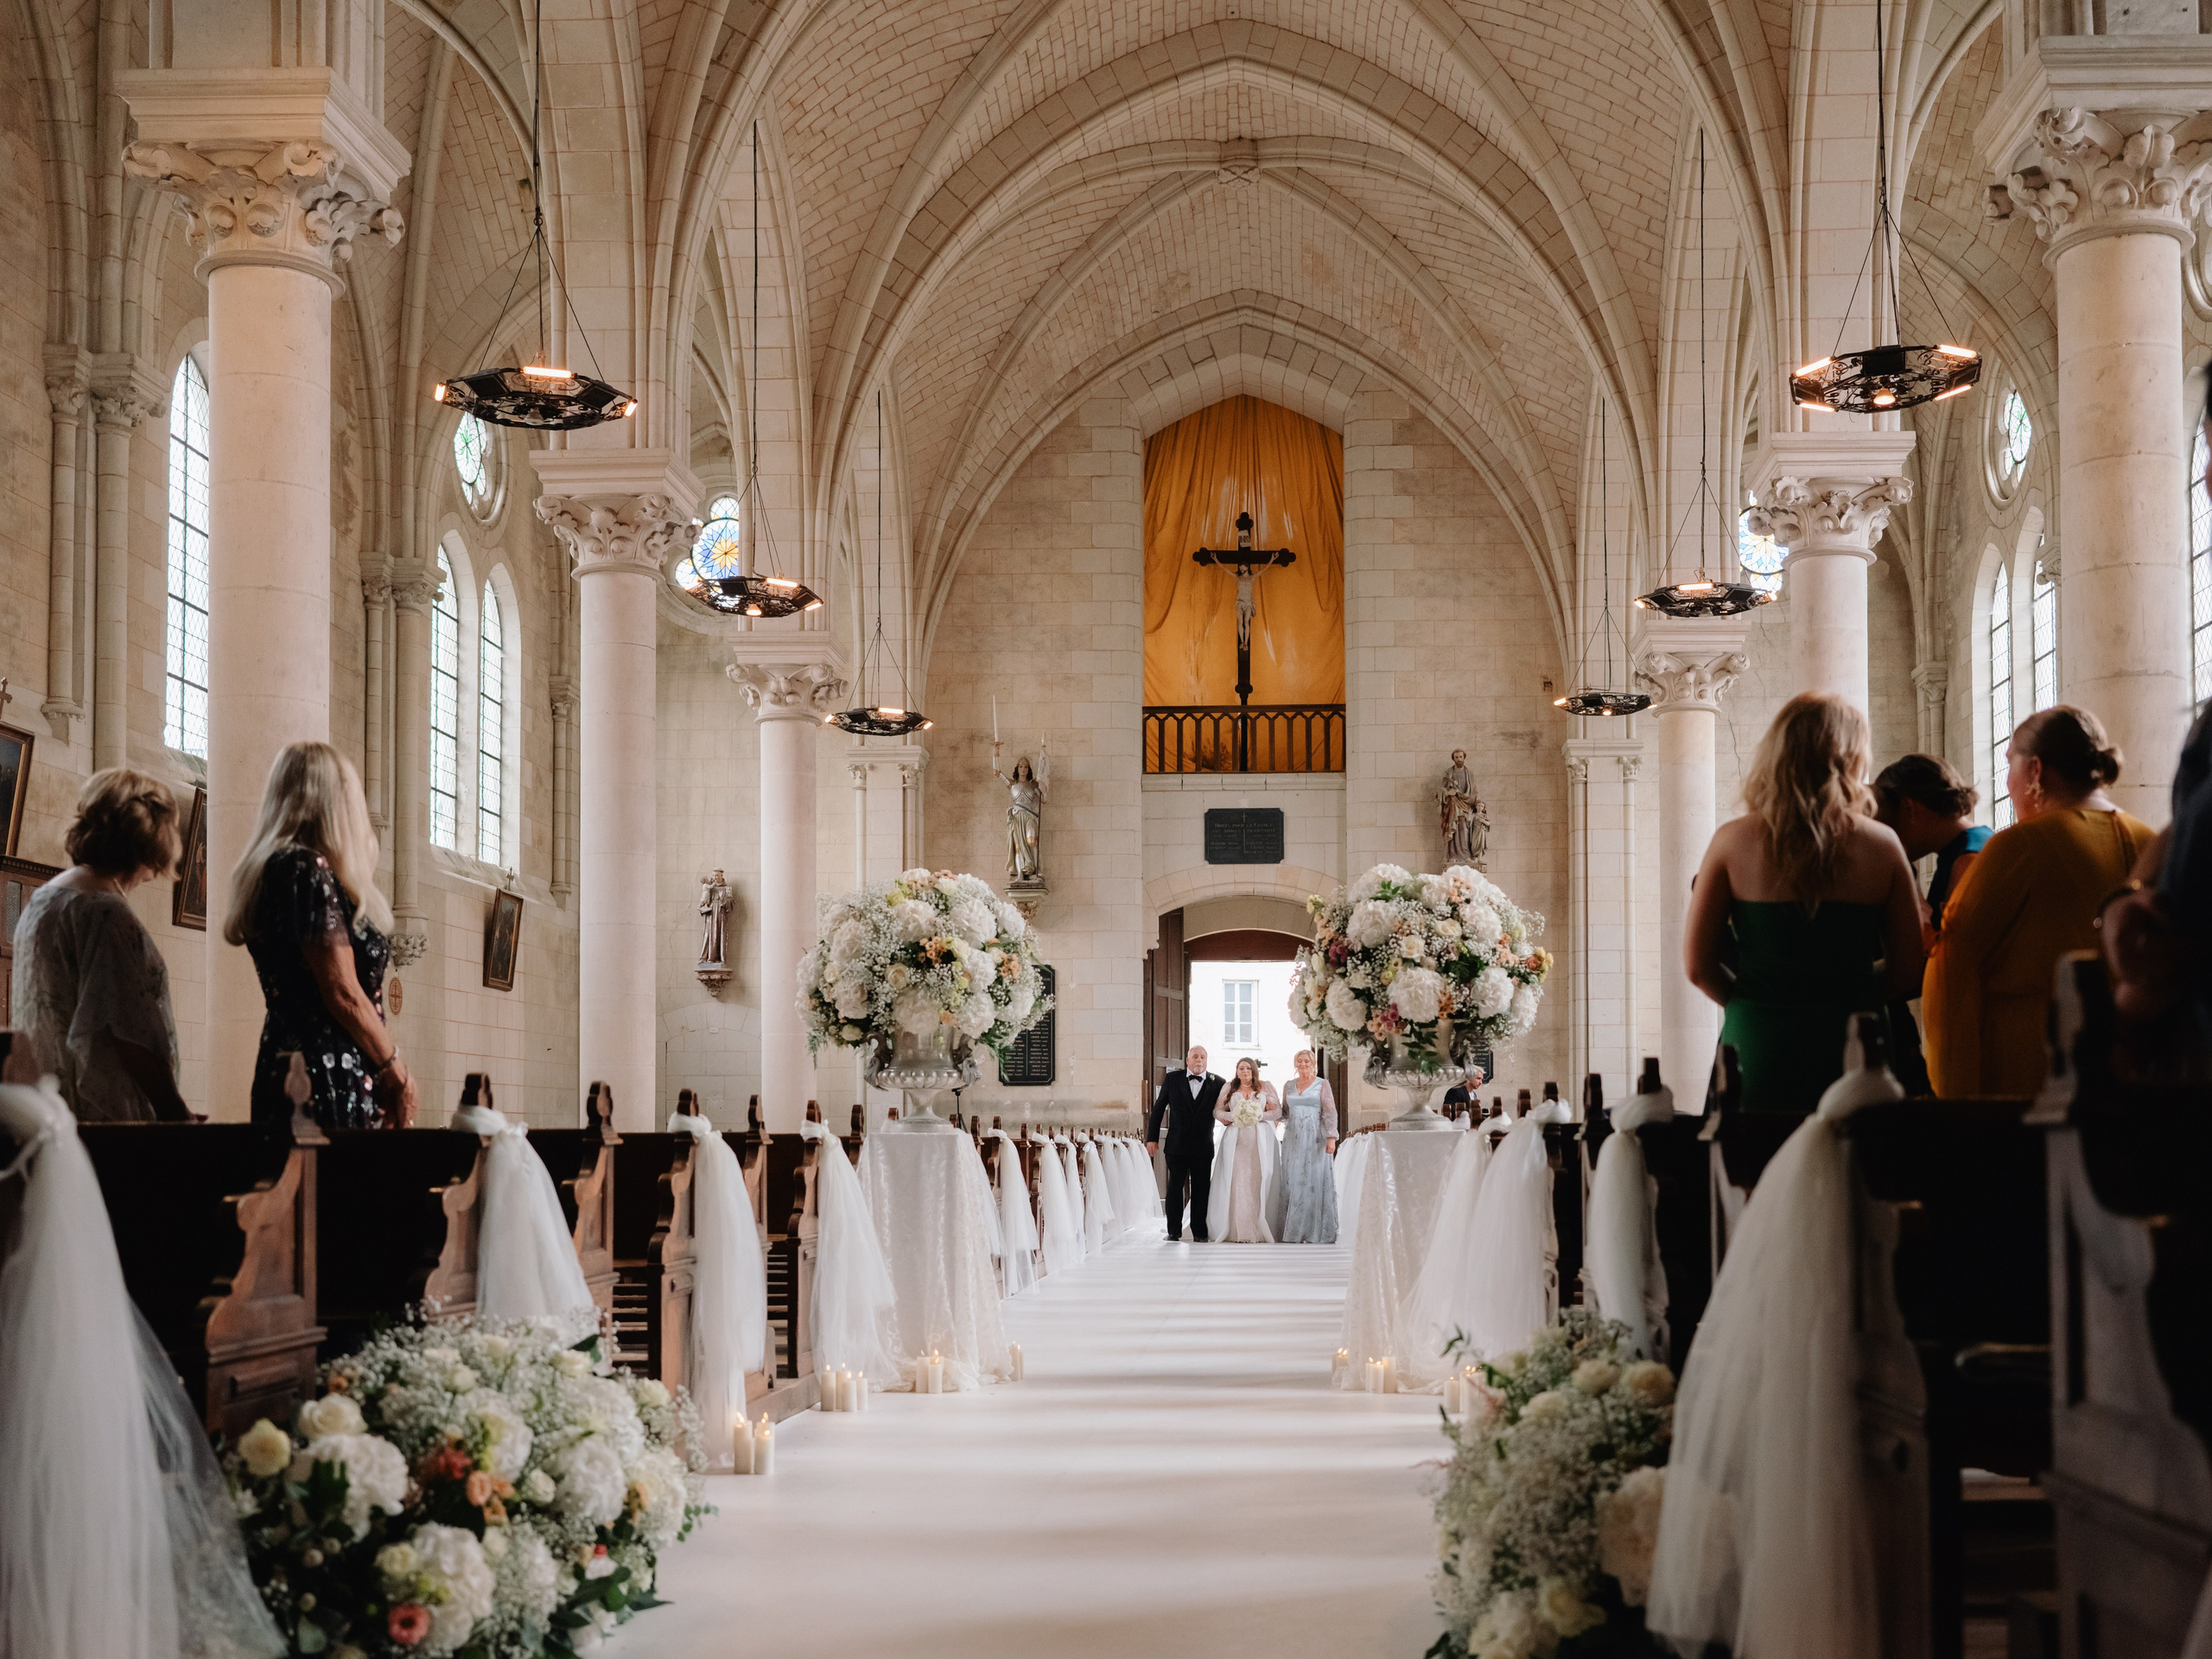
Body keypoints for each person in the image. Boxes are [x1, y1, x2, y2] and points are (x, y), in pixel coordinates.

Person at [1684, 693, 1925, 1114]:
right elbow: (1908, 968)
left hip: (1758, 1042)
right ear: (1852, 758)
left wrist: (1757, 1001)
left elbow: (1697, 966)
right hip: (1855, 1043)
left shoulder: (1732, 841)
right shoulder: (1883, 846)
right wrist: (1847, 997)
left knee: (1749, 1169)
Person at [1924, 706, 2152, 1096]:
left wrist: (1954, 1095)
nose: (2008, 782)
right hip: (2137, 1077)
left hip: (2032, 1079)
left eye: (2010, 763)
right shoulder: (2150, 841)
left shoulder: (2017, 848)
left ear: (2035, 772)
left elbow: (1953, 969)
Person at [224, 741, 417, 1130]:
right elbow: (343, 993)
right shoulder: (307, 868)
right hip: (323, 1070)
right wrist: (394, 1067)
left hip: (291, 1060)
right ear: (336, 804)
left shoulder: (279, 868)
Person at [11, 768, 191, 1121]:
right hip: (109, 1123)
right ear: (152, 838)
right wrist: (176, 1114)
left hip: (51, 1110)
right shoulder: (106, 913)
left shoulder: (44, 899)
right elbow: (131, 1035)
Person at [1870, 753, 1990, 1094]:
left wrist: (1904, 883)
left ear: (1910, 810)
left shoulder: (1968, 860)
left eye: (1887, 823)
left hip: (1972, 1037)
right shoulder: (1958, 852)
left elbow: (1944, 957)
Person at [1147, 1044, 1223, 1242]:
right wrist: (1152, 1138)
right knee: (1175, 1188)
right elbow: (1158, 1109)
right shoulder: (1173, 1079)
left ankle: (1199, 1232)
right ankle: (1174, 1231)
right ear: (1187, 1060)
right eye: (1195, 1057)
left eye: (1203, 1057)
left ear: (1207, 1061)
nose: (1199, 1060)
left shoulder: (1218, 1083)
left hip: (1203, 1146)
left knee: (1201, 1188)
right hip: (1177, 1145)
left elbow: (1226, 1109)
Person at [1270, 1048, 1339, 1243]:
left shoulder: (1322, 1084)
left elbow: (1330, 1112)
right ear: (1295, 1064)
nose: (1303, 1064)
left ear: (1313, 1064)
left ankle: (1314, 1230)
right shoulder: (1289, 1085)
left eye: (1306, 1061)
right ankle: (1293, 1230)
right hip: (1293, 1137)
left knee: (1313, 1179)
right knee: (1293, 1179)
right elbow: (1285, 1111)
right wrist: (1268, 1123)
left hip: (1315, 1137)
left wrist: (1331, 1137)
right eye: (1299, 1061)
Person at [1208, 1057, 1279, 1243]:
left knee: (1256, 1179)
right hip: (1236, 1140)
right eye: (1241, 1068)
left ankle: (1258, 1226)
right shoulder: (1229, 1087)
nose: (1245, 1071)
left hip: (1259, 1140)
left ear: (1254, 1070)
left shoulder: (1265, 1086)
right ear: (1237, 1070)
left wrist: (1258, 1115)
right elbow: (1217, 1111)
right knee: (1238, 1178)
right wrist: (1234, 1115)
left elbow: (1277, 1111)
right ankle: (1237, 1229)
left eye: (1248, 1068)